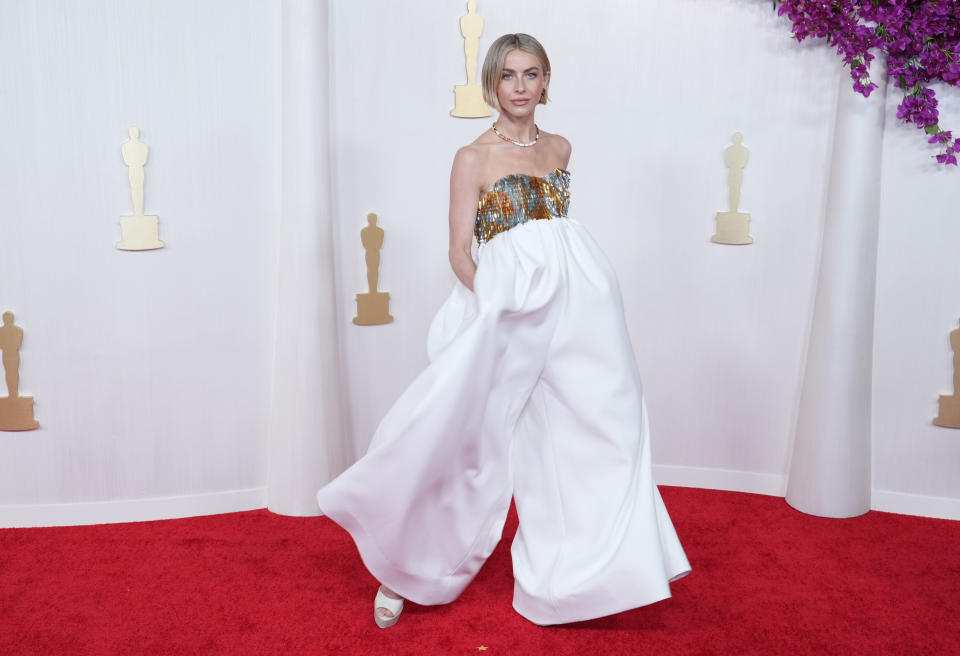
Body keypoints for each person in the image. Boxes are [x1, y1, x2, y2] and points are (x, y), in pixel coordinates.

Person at [316, 33, 690, 629]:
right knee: (460, 435)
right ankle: (402, 569)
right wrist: (495, 302)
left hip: (580, 310)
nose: (520, 87)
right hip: (506, 312)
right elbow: (460, 253)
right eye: (508, 75)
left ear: (547, 81)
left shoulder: (563, 148)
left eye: (531, 74)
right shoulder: (472, 157)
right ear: (492, 83)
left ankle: (584, 576)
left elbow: (557, 239)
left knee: (604, 427)